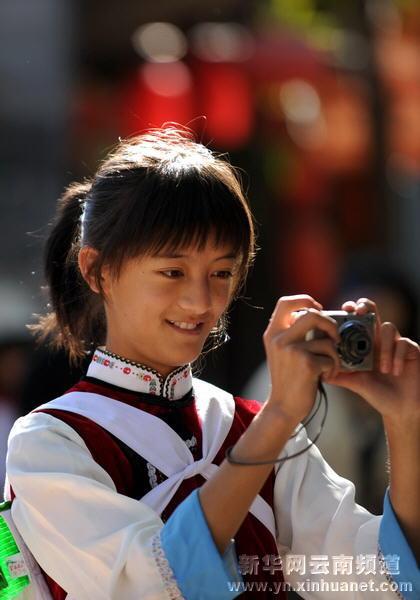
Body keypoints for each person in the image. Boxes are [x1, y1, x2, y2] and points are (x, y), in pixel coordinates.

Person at [4, 127, 419, 599]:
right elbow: (150, 583)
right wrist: (280, 416)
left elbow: (381, 582)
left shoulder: (251, 427)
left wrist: (406, 419)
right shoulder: (52, 442)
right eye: (172, 272)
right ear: (96, 270)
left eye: (221, 272)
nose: (201, 300)